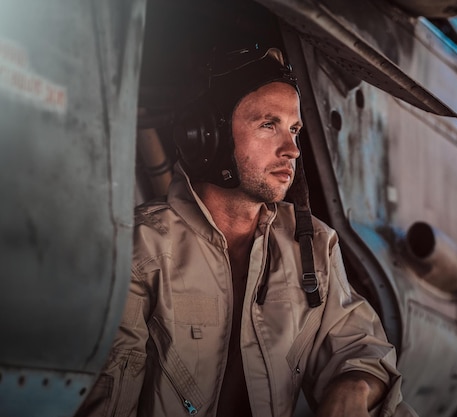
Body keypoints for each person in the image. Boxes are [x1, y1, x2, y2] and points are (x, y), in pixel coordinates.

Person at [75, 45, 409, 417]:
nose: (292, 150)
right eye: (269, 125)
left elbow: (359, 349)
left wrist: (355, 387)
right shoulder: (141, 247)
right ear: (205, 137)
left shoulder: (311, 246)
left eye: (294, 129)